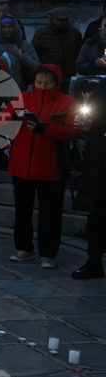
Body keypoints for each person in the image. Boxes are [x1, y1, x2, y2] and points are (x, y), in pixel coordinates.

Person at [0, 65, 78, 268]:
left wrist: (45, 129)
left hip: (51, 167)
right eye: (39, 82)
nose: (42, 86)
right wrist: (14, 117)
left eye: (47, 83)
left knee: (50, 212)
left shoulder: (68, 103)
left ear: (56, 83)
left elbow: (72, 132)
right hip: (21, 164)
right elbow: (0, 121)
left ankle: (48, 253)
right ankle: (23, 248)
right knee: (22, 210)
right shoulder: (23, 98)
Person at [72, 79, 106, 279]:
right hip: (99, 157)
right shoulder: (101, 86)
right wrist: (87, 126)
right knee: (96, 212)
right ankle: (93, 261)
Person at [30, 7, 83, 81]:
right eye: (59, 20)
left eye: (65, 20)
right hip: (49, 74)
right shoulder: (41, 33)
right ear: (52, 19)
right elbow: (34, 53)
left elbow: (79, 52)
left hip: (70, 74)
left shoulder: (74, 33)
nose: (62, 22)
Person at [0, 16, 40, 88]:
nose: (7, 29)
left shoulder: (25, 45)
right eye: (4, 27)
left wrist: (21, 56)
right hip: (0, 91)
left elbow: (36, 66)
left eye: (10, 26)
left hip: (21, 90)